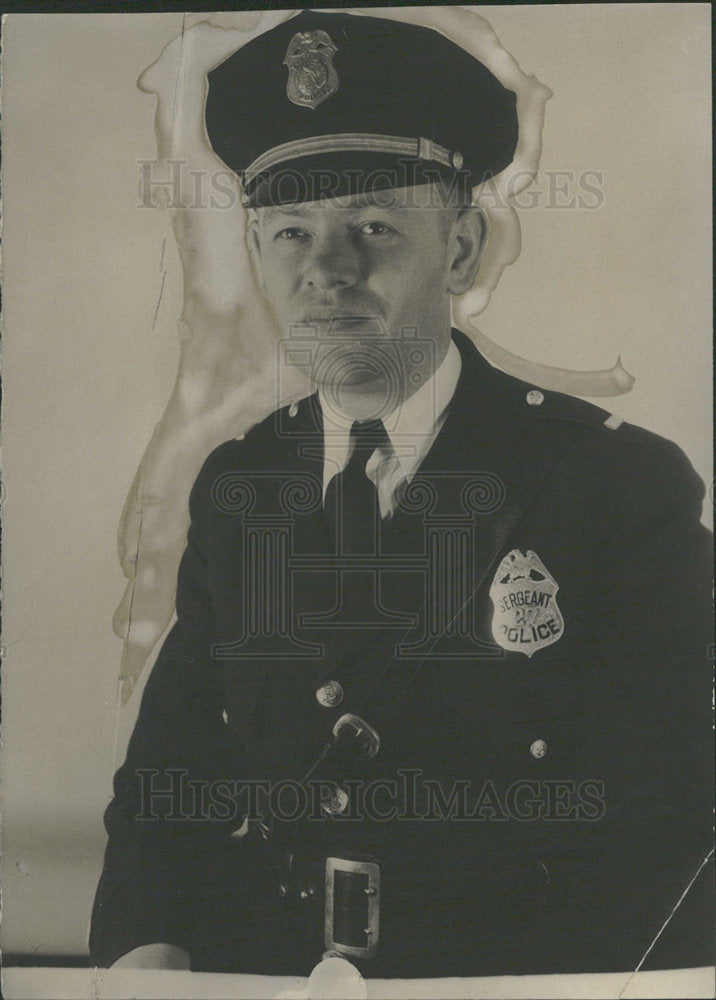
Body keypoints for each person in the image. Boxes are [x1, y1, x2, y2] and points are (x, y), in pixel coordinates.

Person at [90, 9, 713, 978]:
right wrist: (145, 954)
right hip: (267, 979)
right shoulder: (241, 485)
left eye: (373, 227)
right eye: (290, 232)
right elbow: (168, 782)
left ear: (460, 250)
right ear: (256, 253)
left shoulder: (613, 487)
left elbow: (667, 827)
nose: (325, 271)